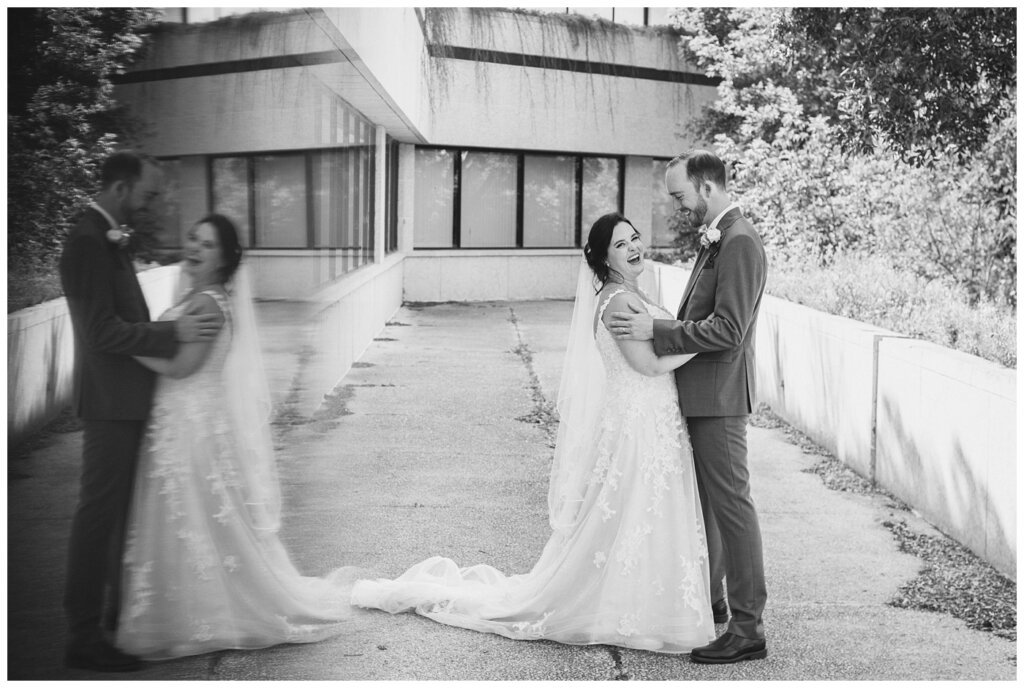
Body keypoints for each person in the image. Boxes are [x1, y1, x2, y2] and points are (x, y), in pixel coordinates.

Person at [351, 213, 715, 654]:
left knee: (640, 516)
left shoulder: (633, 293)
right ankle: (627, 608)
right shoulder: (619, 301)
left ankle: (650, 604)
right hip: (638, 427)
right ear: (603, 258)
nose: (634, 247)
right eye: (621, 245)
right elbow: (649, 365)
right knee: (633, 514)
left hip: (652, 421)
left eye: (635, 238)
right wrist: (707, 339)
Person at [115, 214, 353, 660]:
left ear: (224, 258)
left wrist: (127, 345)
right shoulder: (195, 295)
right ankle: (187, 603)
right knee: (189, 516)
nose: (194, 248)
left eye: (206, 244)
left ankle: (206, 610)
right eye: (193, 238)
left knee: (193, 514)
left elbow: (182, 368)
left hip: (190, 428)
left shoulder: (207, 303)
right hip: (178, 422)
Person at [59, 151, 223, 672]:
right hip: (109, 404)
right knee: (99, 517)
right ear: (123, 188)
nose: (150, 205)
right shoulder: (87, 241)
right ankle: (84, 636)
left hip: (127, 402)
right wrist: (172, 331)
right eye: (148, 194)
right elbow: (101, 332)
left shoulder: (103, 236)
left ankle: (114, 621)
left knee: (117, 520)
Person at [608, 149, 768, 664]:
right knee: (713, 511)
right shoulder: (719, 238)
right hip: (702, 395)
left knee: (732, 509)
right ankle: (718, 605)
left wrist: (656, 331)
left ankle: (748, 629)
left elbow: (728, 329)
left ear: (705, 187)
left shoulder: (739, 241)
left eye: (680, 195)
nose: (680, 206)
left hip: (719, 399)